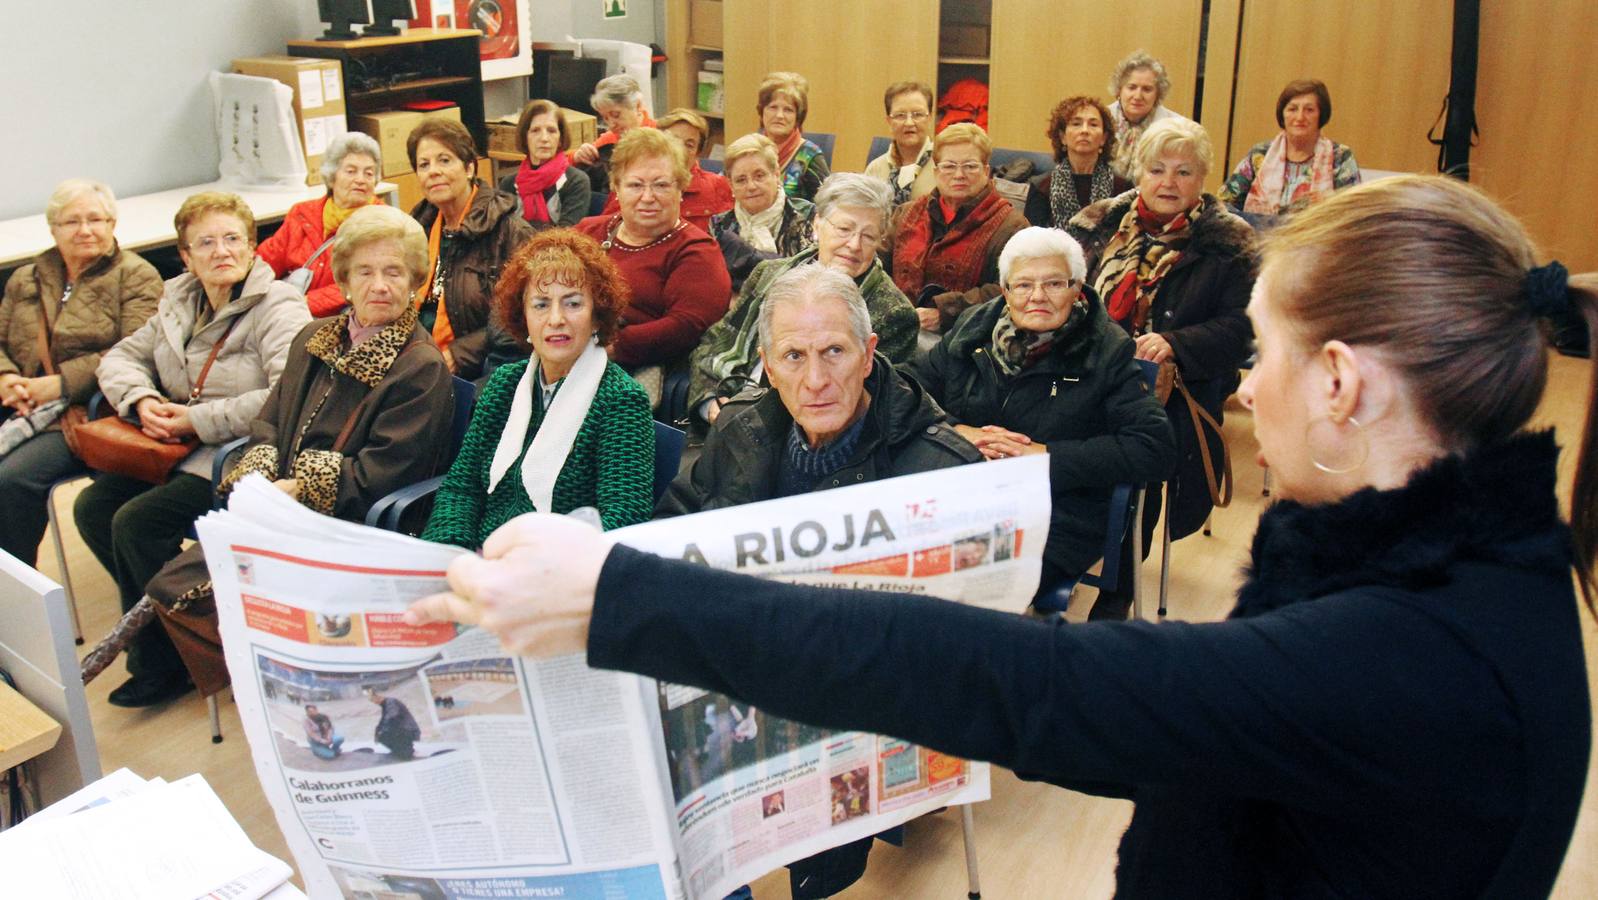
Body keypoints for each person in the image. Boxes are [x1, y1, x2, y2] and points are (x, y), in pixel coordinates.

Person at [408, 174, 1598, 898]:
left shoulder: (1419, 663)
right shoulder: (1457, 577)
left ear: (1338, 381)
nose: (1240, 388)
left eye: (1260, 352)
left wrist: (618, 595)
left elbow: (1029, 682)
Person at [657, 263, 980, 896]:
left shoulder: (938, 468)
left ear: (869, 353)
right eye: (793, 356)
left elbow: (962, 651)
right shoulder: (741, 429)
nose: (815, 379)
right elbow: (676, 529)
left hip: (860, 689)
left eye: (834, 351)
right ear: (767, 366)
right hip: (743, 662)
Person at [147, 205, 457, 699]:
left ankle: (285, 677)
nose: (380, 285)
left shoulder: (419, 367)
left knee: (206, 589)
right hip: (281, 507)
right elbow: (268, 420)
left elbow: (387, 472)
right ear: (344, 281)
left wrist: (300, 487)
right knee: (172, 584)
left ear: (415, 281)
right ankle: (265, 674)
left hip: (348, 522)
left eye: (394, 272)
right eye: (365, 272)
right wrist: (260, 476)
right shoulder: (314, 338)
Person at [75, 191, 309, 708]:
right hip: (172, 444)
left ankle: (159, 661)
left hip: (238, 453)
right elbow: (119, 359)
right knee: (91, 508)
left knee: (135, 523)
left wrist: (195, 418)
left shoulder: (278, 305)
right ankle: (176, 621)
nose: (221, 251)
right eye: (205, 243)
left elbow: (286, 394)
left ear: (252, 246)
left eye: (232, 239)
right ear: (185, 256)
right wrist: (142, 400)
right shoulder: (178, 298)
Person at [906, 227, 1175, 619]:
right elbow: (906, 388)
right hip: (962, 494)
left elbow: (1153, 446)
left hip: (1055, 511)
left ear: (1076, 288)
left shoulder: (1106, 349)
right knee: (897, 574)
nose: (1037, 296)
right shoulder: (972, 329)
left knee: (967, 593)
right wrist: (959, 432)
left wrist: (1044, 457)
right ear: (1005, 290)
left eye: (1053, 283)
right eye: (1023, 285)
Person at [1068, 118, 1253, 544]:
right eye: (1156, 169)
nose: (1168, 182)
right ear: (1139, 173)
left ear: (1202, 178)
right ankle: (1071, 549)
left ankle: (1122, 565)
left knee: (1137, 457)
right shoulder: (1097, 224)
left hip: (1176, 389)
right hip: (1086, 371)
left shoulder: (1230, 242)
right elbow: (1066, 294)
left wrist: (1174, 343)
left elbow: (1243, 328)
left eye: (1183, 171)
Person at [422, 229, 655, 550]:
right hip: (482, 557)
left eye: (573, 303)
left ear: (597, 317)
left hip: (561, 566)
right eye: (541, 305)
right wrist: (450, 551)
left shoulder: (621, 400)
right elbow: (462, 488)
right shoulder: (504, 385)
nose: (556, 319)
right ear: (524, 318)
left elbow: (623, 518)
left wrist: (531, 565)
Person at [0, 179, 160, 568]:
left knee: (11, 480)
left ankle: (18, 588)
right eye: (71, 222)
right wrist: (6, 378)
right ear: (53, 229)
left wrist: (59, 384)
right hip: (19, 402)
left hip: (86, 411)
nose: (85, 230)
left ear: (112, 224)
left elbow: (135, 352)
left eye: (95, 219)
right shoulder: (26, 278)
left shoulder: (137, 276)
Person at [689, 173, 915, 427]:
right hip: (724, 414)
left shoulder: (894, 314)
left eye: (869, 236)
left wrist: (743, 420)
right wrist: (710, 402)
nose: (854, 245)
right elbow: (715, 342)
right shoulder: (768, 274)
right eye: (844, 229)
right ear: (817, 224)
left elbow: (846, 405)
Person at [574, 129, 732, 382]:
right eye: (635, 185)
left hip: (630, 373)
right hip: (565, 352)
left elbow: (685, 326)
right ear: (616, 188)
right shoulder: (587, 231)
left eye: (661, 185)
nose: (648, 197)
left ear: (680, 189)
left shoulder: (696, 250)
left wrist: (604, 346)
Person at [408, 118, 534, 380]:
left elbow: (520, 317)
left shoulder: (510, 232)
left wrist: (458, 355)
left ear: (469, 168)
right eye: (424, 164)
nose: (433, 171)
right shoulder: (416, 228)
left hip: (482, 366)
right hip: (419, 355)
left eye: (444, 160)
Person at [887, 123, 1027, 334]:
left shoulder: (1012, 227)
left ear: (986, 171)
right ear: (936, 172)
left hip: (963, 336)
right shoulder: (906, 214)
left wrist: (945, 313)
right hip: (896, 326)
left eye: (970, 166)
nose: (959, 174)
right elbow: (876, 264)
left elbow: (1013, 289)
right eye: (949, 166)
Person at [256, 132, 384, 316]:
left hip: (344, 318)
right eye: (351, 171)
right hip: (290, 312)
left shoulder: (383, 223)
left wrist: (305, 302)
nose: (361, 179)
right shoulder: (302, 214)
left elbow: (368, 282)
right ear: (332, 177)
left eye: (369, 173)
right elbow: (266, 260)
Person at [1218, 78, 1361, 221]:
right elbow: (1223, 205)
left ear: (1321, 115)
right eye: (1292, 109)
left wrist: (1329, 205)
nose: (1300, 117)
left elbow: (1357, 213)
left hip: (1318, 234)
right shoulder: (1260, 154)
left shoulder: (1341, 156)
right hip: (1259, 234)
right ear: (1283, 114)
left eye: (1309, 110)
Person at [707, 133, 816, 292]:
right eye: (741, 180)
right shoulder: (719, 226)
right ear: (730, 185)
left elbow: (813, 279)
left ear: (776, 174)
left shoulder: (807, 216)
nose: (751, 186)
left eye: (759, 176)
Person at [600, 108, 733, 233]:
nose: (680, 149)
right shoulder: (632, 182)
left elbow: (729, 234)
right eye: (672, 140)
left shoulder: (717, 186)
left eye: (689, 145)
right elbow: (606, 230)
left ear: (698, 153)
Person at [1025, 96, 1131, 230]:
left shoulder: (1123, 188)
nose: (1084, 130)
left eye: (1093, 124)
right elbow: (1031, 238)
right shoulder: (1041, 187)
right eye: (1076, 124)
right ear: (1063, 137)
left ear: (1104, 138)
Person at [497, 99, 592, 229]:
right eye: (535, 130)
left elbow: (568, 234)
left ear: (560, 139)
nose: (544, 138)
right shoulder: (508, 184)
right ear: (525, 137)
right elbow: (502, 233)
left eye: (551, 131)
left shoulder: (576, 181)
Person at [1105, 50, 1192, 181]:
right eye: (1132, 87)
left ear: (1158, 94)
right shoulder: (1101, 120)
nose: (1138, 96)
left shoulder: (1178, 128)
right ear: (1119, 90)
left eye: (1147, 89)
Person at [569, 74, 656, 192]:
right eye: (605, 118)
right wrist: (576, 156)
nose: (611, 124)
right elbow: (562, 166)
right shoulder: (610, 139)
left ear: (638, 106)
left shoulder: (662, 136)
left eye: (616, 115)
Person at [757, 72, 830, 203]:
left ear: (798, 117)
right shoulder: (748, 150)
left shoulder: (810, 156)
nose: (779, 115)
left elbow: (827, 205)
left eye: (788, 110)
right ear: (762, 111)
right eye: (773, 107)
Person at [863, 81, 937, 206]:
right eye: (900, 115)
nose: (909, 123)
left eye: (917, 115)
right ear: (889, 121)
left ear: (929, 118)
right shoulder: (875, 169)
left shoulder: (943, 166)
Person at [367, 687, 421, 760]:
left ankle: (407, 751)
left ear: (377, 696)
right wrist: (378, 731)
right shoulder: (385, 704)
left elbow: (391, 717)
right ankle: (400, 750)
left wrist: (382, 730)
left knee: (384, 735)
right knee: (382, 735)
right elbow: (384, 720)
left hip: (408, 730)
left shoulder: (391, 702)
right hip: (403, 730)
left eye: (372, 700)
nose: (373, 702)